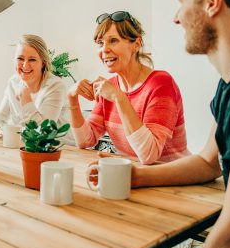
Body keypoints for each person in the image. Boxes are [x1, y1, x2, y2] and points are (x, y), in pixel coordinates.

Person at [95, 0, 230, 248]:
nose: (175, 17)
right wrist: (136, 176)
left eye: (182, 2)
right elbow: (208, 163)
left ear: (212, 1)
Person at [68, 11, 190, 164]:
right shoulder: (110, 87)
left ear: (136, 44)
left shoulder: (161, 84)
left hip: (176, 179)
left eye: (113, 40)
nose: (104, 49)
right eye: (100, 43)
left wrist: (120, 98)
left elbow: (148, 155)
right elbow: (86, 140)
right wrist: (72, 99)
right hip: (135, 176)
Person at [0, 34, 74, 145]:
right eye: (20, 58)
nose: (25, 65)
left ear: (43, 63)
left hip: (62, 150)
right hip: (28, 147)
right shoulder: (13, 82)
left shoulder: (56, 86)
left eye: (32, 60)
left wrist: (26, 101)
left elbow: (43, 135)